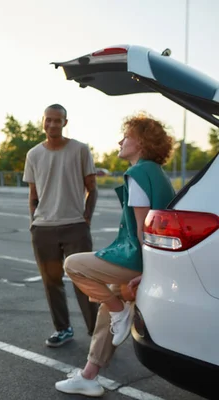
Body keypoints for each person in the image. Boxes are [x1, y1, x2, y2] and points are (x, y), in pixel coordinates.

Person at [55, 113, 176, 397]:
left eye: (127, 136)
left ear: (142, 143)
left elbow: (142, 232)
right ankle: (89, 375)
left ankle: (120, 312)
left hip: (136, 259)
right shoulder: (156, 173)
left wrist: (146, 274)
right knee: (105, 315)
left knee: (73, 265)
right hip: (145, 259)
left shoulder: (138, 173)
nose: (120, 140)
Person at [23, 104, 100, 347]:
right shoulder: (34, 154)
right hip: (43, 228)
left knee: (84, 280)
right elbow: (33, 194)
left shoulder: (80, 150)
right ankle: (63, 328)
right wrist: (33, 221)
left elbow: (92, 188)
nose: (53, 124)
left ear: (65, 122)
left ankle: (97, 333)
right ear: (43, 122)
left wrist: (86, 218)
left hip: (75, 226)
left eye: (58, 120)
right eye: (49, 120)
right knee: (51, 282)